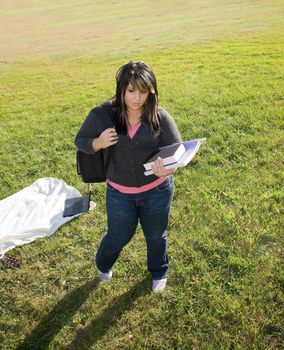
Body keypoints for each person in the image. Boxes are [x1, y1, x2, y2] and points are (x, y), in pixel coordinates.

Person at [75, 61, 182, 293]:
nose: (136, 98)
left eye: (143, 91)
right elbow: (80, 141)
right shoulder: (102, 115)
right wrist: (98, 142)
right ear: (121, 89)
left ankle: (159, 271)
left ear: (151, 90)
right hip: (119, 194)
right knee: (118, 236)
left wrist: (169, 169)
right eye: (131, 90)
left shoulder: (160, 116)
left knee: (156, 236)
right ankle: (103, 264)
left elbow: (177, 150)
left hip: (157, 191)